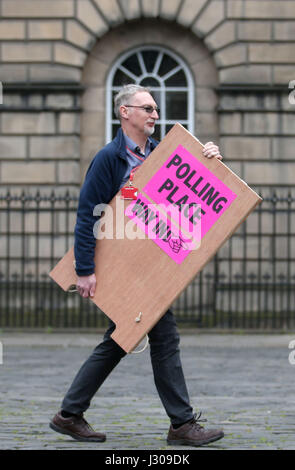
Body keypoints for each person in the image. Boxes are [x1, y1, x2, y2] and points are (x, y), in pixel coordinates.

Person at [50, 84, 224, 447]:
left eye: (156, 110)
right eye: (147, 109)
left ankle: (69, 414)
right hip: (118, 267)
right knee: (161, 337)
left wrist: (208, 158)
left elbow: (191, 194)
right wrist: (84, 269)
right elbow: (88, 217)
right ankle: (181, 423)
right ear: (124, 112)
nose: (155, 116)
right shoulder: (108, 159)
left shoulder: (162, 154)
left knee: (120, 339)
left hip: (149, 268)